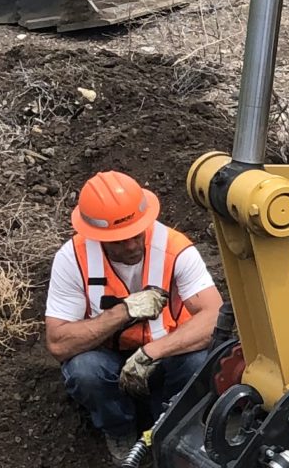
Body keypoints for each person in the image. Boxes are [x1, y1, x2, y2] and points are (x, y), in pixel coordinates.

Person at [44, 169, 224, 448]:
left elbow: (215, 317)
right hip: (109, 363)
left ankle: (171, 429)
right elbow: (58, 342)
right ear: (96, 235)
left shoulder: (175, 249)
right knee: (84, 370)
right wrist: (123, 312)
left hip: (167, 356)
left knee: (199, 362)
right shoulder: (72, 259)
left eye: (136, 234)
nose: (131, 246)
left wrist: (152, 353)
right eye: (119, 239)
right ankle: (119, 430)